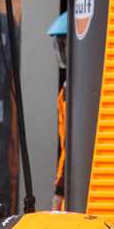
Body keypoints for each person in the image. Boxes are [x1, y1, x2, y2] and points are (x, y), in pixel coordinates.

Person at [48, 12, 69, 210]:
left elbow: (71, 146)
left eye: (64, 44)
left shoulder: (77, 91)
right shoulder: (66, 89)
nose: (61, 51)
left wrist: (59, 192)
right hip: (70, 180)